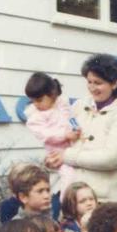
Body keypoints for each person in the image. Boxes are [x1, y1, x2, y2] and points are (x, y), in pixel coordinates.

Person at [45, 54, 117, 200]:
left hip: (103, 200)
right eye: (89, 82)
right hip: (71, 197)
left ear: (114, 83)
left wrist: (67, 156)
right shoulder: (79, 106)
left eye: (98, 83)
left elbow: (112, 158)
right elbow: (65, 140)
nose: (92, 88)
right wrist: (54, 158)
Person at [24, 72, 79, 213]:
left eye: (39, 100)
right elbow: (46, 135)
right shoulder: (35, 117)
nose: (36, 104)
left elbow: (71, 117)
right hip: (57, 151)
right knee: (68, 175)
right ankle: (66, 206)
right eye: (33, 101)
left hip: (74, 145)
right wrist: (65, 135)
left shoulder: (62, 104)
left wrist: (76, 128)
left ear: (53, 94)